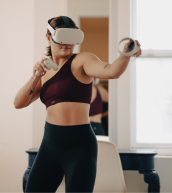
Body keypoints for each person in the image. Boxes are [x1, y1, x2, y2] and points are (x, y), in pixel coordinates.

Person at [13, 16, 142, 193]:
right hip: (50, 144)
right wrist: (35, 76)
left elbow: (112, 71)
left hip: (80, 146)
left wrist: (125, 55)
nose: (67, 44)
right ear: (49, 37)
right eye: (62, 38)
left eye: (72, 39)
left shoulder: (82, 61)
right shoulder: (44, 70)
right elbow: (18, 103)